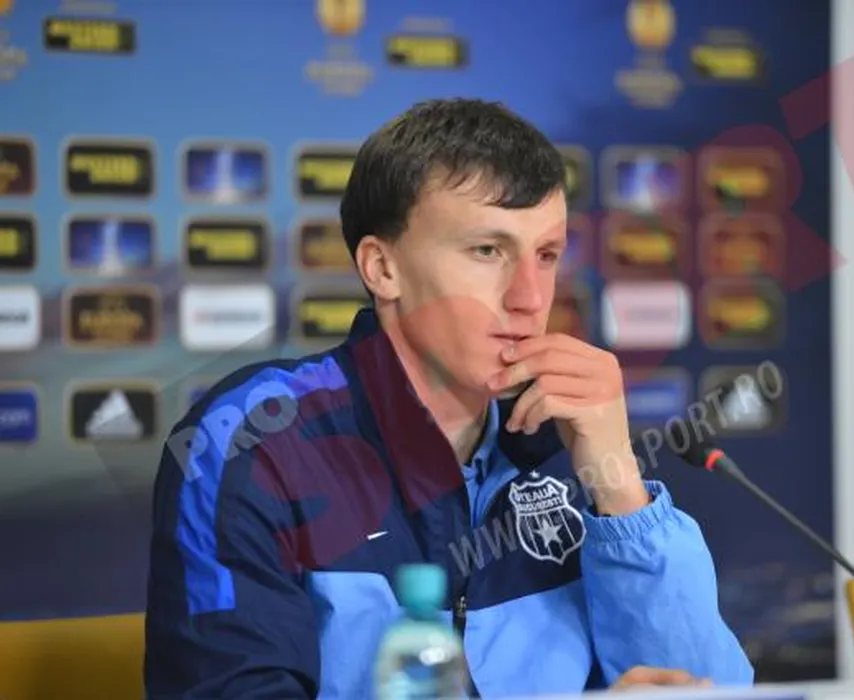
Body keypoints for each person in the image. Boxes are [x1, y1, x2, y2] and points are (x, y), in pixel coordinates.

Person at [144, 98, 753, 698]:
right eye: (487, 251)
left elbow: (709, 691)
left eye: (546, 256)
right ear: (382, 268)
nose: (529, 298)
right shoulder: (253, 443)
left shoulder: (571, 442)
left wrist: (619, 490)